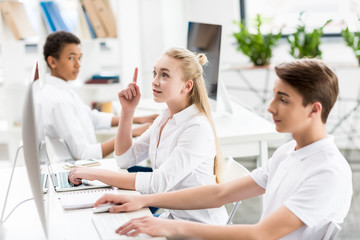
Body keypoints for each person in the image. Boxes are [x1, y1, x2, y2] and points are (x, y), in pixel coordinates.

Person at [94, 59, 353, 239]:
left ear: (314, 109)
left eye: (283, 99)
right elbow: (220, 193)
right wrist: (144, 200)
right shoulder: (288, 152)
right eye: (274, 95)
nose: (271, 107)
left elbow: (260, 234)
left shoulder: (327, 172)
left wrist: (169, 227)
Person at [68, 47, 229, 224]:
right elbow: (125, 159)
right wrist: (127, 111)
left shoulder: (197, 128)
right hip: (174, 218)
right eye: (155, 73)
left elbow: (157, 184)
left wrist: (96, 173)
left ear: (187, 86)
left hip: (200, 227)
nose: (155, 81)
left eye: (165, 75)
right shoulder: (165, 116)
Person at [40, 31, 157, 161]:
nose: (78, 64)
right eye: (71, 58)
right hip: (75, 171)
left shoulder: (63, 90)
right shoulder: (59, 100)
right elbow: (83, 154)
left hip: (81, 167)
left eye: (80, 58)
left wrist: (139, 119)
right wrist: (132, 132)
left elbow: (92, 118)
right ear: (52, 62)